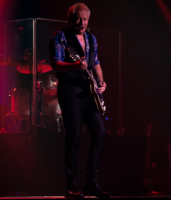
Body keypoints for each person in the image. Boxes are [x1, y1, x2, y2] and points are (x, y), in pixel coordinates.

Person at [48, 3, 110, 198]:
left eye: (84, 19)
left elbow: (96, 63)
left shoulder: (92, 38)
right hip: (70, 90)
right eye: (78, 18)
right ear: (70, 19)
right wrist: (75, 65)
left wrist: (101, 81)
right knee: (73, 136)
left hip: (89, 92)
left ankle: (91, 182)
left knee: (100, 132)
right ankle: (72, 185)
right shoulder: (61, 36)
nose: (81, 22)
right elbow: (56, 63)